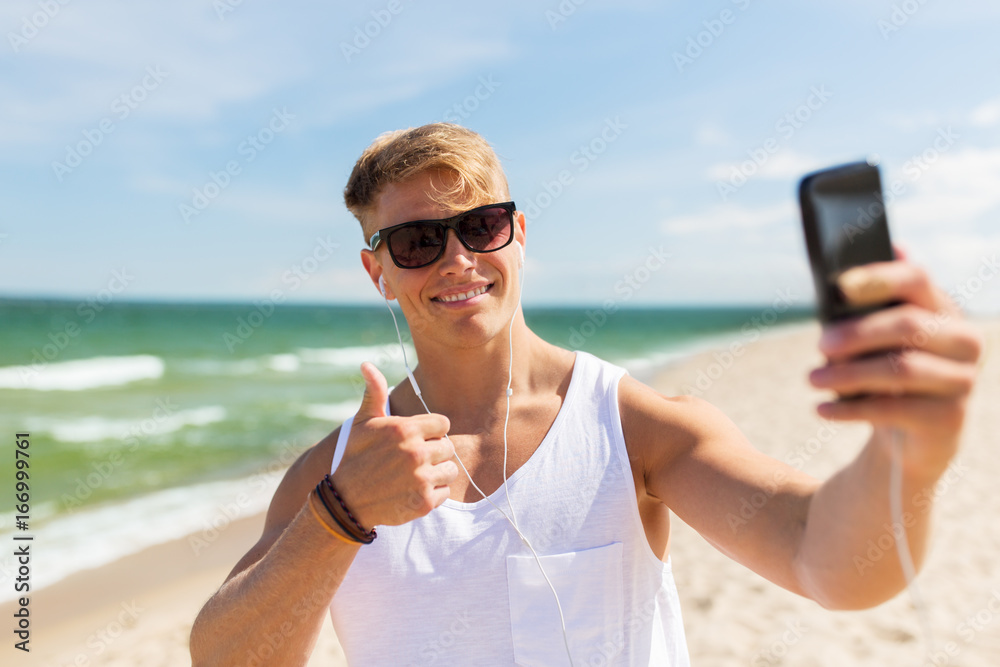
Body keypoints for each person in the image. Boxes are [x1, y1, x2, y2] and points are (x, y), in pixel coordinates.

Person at [189, 123, 983, 666]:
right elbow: (226, 655)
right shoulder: (336, 472)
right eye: (419, 241)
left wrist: (905, 457)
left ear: (519, 234)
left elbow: (831, 560)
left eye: (482, 225)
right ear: (378, 271)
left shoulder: (630, 424)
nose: (459, 259)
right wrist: (340, 516)